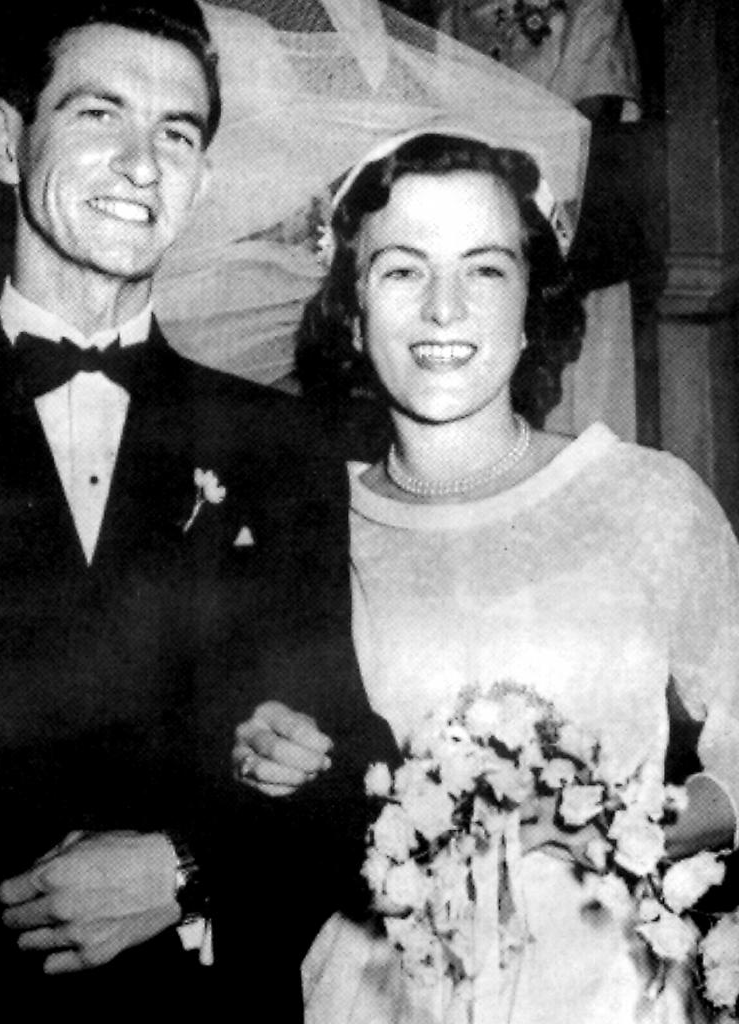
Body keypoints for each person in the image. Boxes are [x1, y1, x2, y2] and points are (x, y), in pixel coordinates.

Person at [237, 127, 739, 1023]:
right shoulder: (302, 528)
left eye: (483, 269)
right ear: (350, 312)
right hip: (377, 994)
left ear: (531, 304)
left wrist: (595, 831)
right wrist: (263, 755)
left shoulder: (643, 497)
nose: (443, 310)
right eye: (401, 269)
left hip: (605, 993)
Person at [0, 2, 396, 1020]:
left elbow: (349, 769)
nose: (140, 163)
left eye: (176, 134)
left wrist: (187, 868)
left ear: (203, 176)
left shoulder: (282, 446)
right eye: (97, 114)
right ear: (3, 139)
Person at [433, 0, 642, 442]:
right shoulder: (456, 15)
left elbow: (592, 124)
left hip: (571, 240)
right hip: (482, 237)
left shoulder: (589, 8)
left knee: (580, 412)